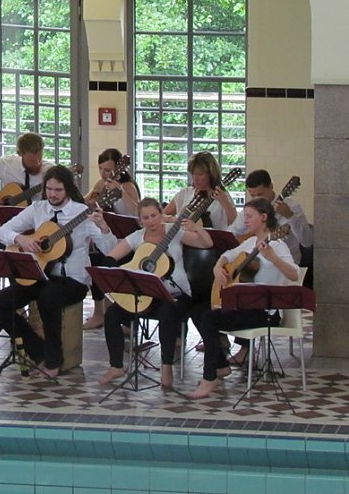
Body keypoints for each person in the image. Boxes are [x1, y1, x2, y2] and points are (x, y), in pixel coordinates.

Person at [0, 165, 117, 377]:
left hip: (73, 281)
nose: (52, 194)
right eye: (49, 189)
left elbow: (110, 250)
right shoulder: (38, 209)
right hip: (41, 275)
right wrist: (22, 239)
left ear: (68, 190)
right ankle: (38, 351)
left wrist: (104, 228)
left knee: (49, 299)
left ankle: (54, 361)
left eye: (58, 190)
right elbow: (2, 231)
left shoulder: (82, 213)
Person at [97, 197, 214, 389]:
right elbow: (111, 256)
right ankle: (116, 365)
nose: (151, 221)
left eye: (154, 215)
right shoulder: (137, 237)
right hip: (145, 296)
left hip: (176, 295)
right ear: (140, 220)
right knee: (111, 314)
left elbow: (206, 244)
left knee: (168, 311)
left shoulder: (174, 232)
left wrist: (197, 228)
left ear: (161, 215)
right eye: (145, 218)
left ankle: (166, 365)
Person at [189, 197, 299, 399]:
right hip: (243, 307)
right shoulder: (250, 242)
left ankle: (209, 377)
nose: (245, 220)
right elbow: (228, 255)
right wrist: (217, 268)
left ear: (264, 217)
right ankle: (221, 365)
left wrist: (273, 258)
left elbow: (294, 274)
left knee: (210, 319)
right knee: (198, 310)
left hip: (264, 312)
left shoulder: (278, 244)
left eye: (249, 216)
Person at [82, 148, 141, 330]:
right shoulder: (101, 183)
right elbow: (84, 204)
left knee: (110, 264)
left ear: (119, 169)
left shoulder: (128, 185)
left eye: (108, 170)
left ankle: (126, 317)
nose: (104, 174)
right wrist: (92, 197)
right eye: (101, 169)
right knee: (94, 262)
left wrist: (121, 190)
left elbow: (138, 213)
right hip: (106, 238)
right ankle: (99, 313)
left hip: (127, 242)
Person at [228, 169, 312, 265]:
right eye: (252, 196)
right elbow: (231, 233)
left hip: (286, 262)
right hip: (254, 262)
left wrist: (290, 216)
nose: (257, 199)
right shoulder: (251, 209)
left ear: (271, 186)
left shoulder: (292, 207)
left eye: (260, 194)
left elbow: (307, 241)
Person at [0, 132, 54, 209]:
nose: (37, 164)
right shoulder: (6, 164)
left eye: (39, 159)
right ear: (20, 154)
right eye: (32, 161)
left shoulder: (51, 171)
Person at [163, 151, 237, 230]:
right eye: (193, 174)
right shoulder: (185, 193)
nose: (195, 178)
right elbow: (161, 216)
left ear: (211, 174)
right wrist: (174, 220)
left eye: (200, 174)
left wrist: (225, 203)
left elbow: (235, 226)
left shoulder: (223, 196)